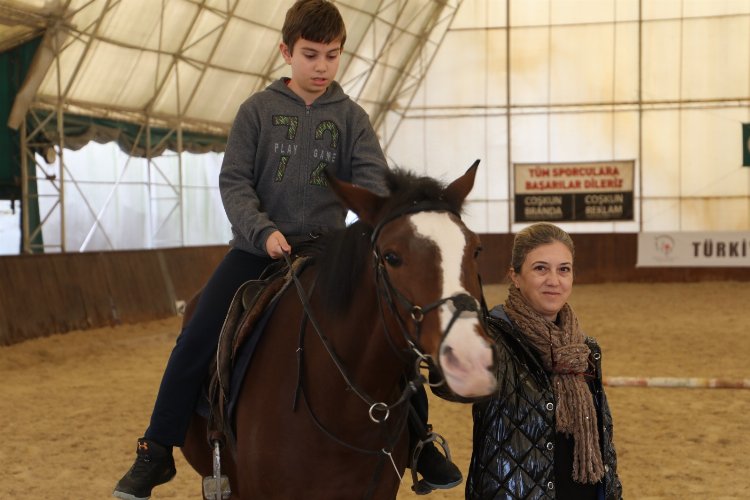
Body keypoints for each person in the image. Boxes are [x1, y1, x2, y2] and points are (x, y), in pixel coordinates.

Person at [113, 2, 459, 499]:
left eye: (332, 56)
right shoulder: (256, 111)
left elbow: (370, 183)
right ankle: (157, 449)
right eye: (311, 55)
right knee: (196, 335)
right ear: (286, 51)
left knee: (390, 326)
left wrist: (375, 218)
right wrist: (262, 231)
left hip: (329, 249)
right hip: (258, 250)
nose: (321, 67)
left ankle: (420, 440)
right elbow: (234, 182)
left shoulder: (352, 118)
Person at [463, 222, 623, 499]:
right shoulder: (489, 341)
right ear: (515, 276)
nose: (554, 280)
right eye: (540, 268)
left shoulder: (585, 350)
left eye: (564, 269)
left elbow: (603, 442)